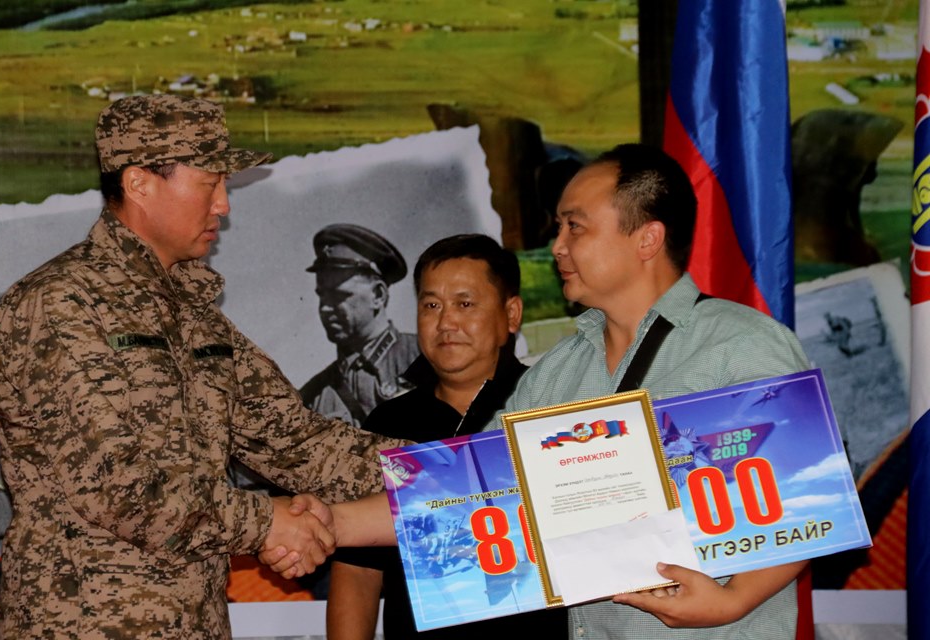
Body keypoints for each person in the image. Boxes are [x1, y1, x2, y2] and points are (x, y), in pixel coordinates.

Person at [263, 143, 812, 638]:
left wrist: (732, 600)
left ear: (647, 238)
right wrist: (328, 521)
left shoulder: (738, 345)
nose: (558, 247)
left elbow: (810, 491)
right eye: (559, 228)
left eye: (575, 227)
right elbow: (472, 493)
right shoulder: (557, 374)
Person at [0, 94, 403, 640]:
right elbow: (117, 485)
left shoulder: (194, 316)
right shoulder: (60, 304)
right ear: (139, 183)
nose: (223, 205)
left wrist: (450, 471)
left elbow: (298, 441)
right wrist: (268, 523)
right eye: (209, 183)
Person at [325, 234, 566, 639]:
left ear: (511, 314)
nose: (446, 322)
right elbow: (357, 572)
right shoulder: (388, 425)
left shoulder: (551, 409)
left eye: (465, 304)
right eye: (431, 305)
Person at [300, 224, 419, 426]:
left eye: (339, 295)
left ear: (378, 296)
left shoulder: (432, 359)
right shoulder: (311, 399)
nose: (325, 308)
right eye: (322, 295)